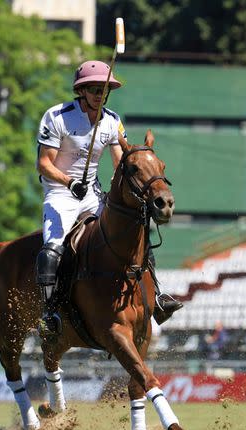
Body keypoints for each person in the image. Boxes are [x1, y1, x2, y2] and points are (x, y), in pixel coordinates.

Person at [35, 60, 182, 337]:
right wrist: (69, 182)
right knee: (52, 250)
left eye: (103, 90)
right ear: (81, 91)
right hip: (61, 193)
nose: (99, 95)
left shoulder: (112, 121)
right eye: (93, 89)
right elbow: (44, 164)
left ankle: (158, 298)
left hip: (92, 192)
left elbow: (120, 166)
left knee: (135, 236)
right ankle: (50, 314)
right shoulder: (57, 116)